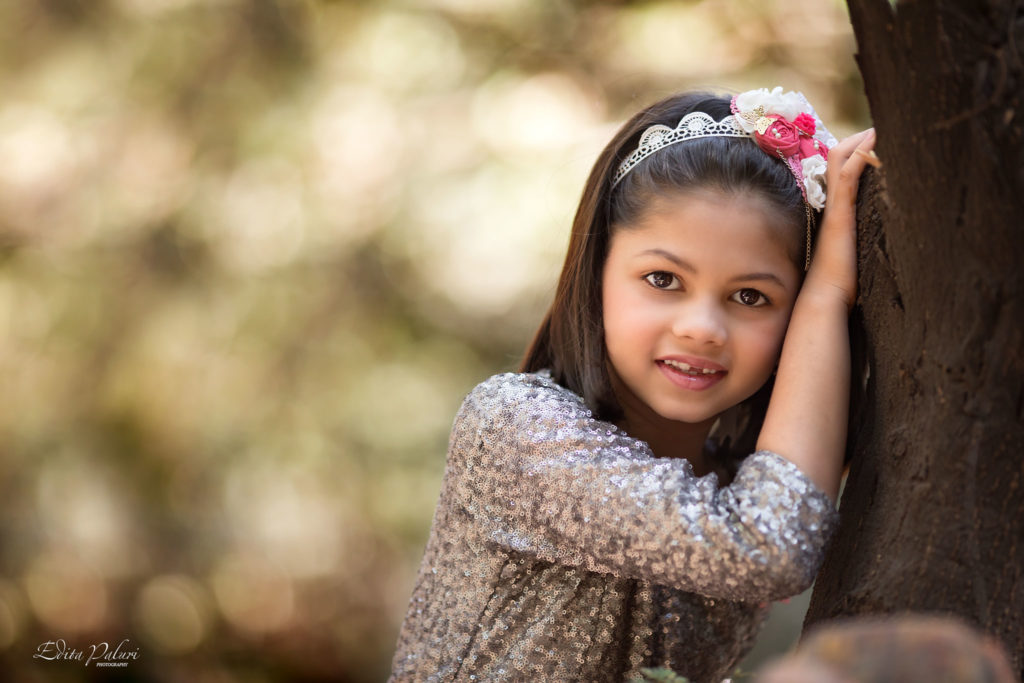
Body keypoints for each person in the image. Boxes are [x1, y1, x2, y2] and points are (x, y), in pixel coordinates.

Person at [388, 87, 877, 683]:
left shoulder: (742, 479)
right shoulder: (515, 427)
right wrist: (827, 294)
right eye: (663, 278)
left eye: (751, 296)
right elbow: (767, 550)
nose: (701, 328)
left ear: (789, 320)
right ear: (595, 274)